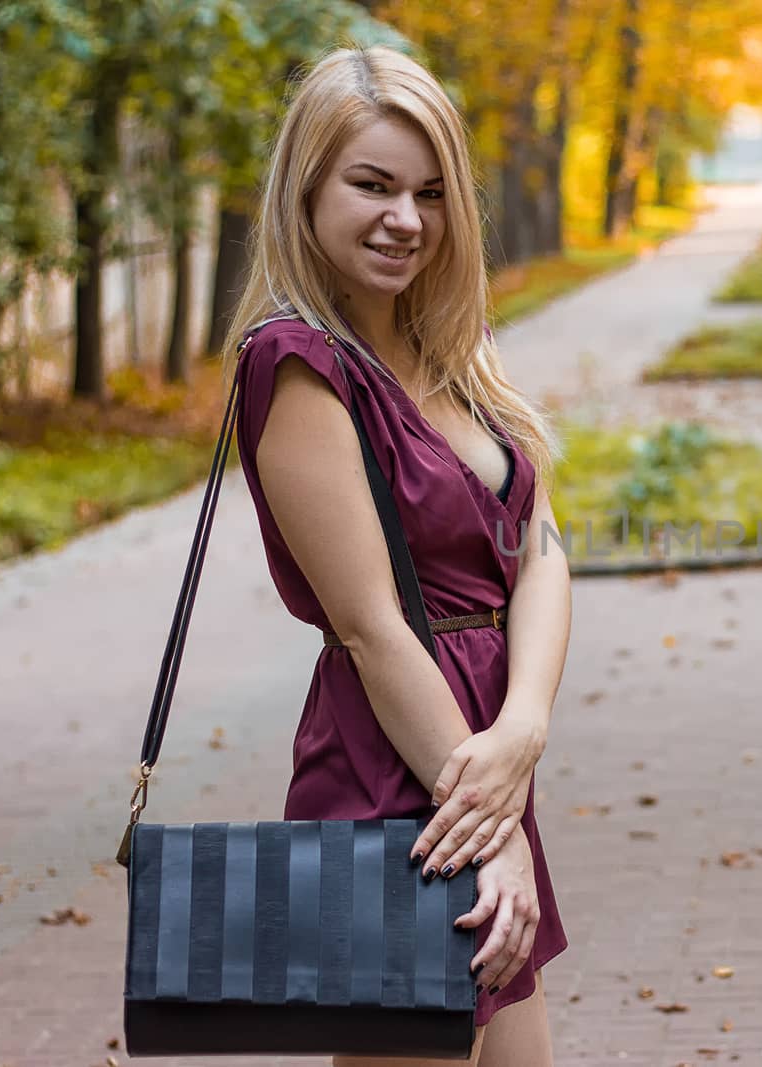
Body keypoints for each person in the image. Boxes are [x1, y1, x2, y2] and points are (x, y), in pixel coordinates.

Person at [221, 45, 569, 1065]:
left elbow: (541, 547)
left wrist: (523, 734)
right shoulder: (296, 366)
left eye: (428, 192)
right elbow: (374, 628)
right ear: (308, 188)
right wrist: (492, 819)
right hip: (398, 775)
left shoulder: (451, 351)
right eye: (370, 185)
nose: (404, 218)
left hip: (479, 756)